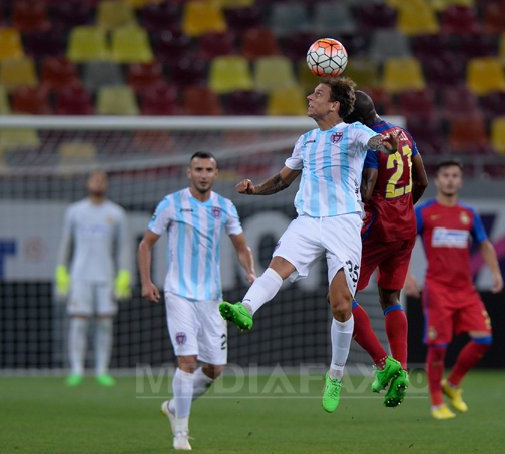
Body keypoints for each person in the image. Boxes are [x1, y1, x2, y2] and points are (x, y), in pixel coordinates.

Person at [219, 77, 401, 414]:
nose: (309, 96)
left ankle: (335, 376)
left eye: (317, 94)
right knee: (278, 267)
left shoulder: (353, 132)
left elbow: (376, 142)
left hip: (343, 222)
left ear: (334, 105)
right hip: (307, 220)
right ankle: (245, 309)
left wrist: (386, 143)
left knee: (341, 305)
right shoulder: (305, 140)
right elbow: (282, 180)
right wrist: (254, 189)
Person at [138, 151, 256, 451]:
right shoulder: (171, 203)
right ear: (189, 173)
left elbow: (241, 247)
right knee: (187, 361)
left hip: (211, 298)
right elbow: (146, 244)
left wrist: (249, 270)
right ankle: (180, 433)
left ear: (216, 174)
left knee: (215, 368)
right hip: (178, 293)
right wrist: (146, 281)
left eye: (208, 170)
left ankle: (175, 407)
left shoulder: (224, 206)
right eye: (198, 169)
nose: (203, 175)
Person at [343, 90, 428, 407]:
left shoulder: (371, 142)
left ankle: (383, 363)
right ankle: (402, 370)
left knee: (340, 297)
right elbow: (422, 181)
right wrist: (402, 208)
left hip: (378, 229)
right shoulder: (402, 134)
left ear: (357, 121)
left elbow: (367, 190)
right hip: (406, 226)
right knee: (390, 297)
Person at [405, 159, 503, 420]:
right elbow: (404, 244)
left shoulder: (468, 213)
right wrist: (406, 275)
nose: (450, 180)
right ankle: (437, 402)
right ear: (437, 180)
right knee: (438, 347)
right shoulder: (424, 212)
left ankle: (453, 383)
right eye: (446, 175)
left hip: (466, 290)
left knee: (483, 339)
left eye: (455, 176)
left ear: (460, 181)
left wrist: (495, 272)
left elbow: (484, 244)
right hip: (437, 289)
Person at [55, 169, 131, 388]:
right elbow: (66, 243)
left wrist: (124, 274)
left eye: (101, 180)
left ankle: (101, 370)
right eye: (94, 179)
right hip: (80, 275)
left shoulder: (116, 213)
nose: (98, 183)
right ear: (87, 183)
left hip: (105, 276)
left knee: (104, 324)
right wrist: (61, 271)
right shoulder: (75, 211)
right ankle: (77, 370)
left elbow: (123, 247)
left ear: (106, 184)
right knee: (78, 322)